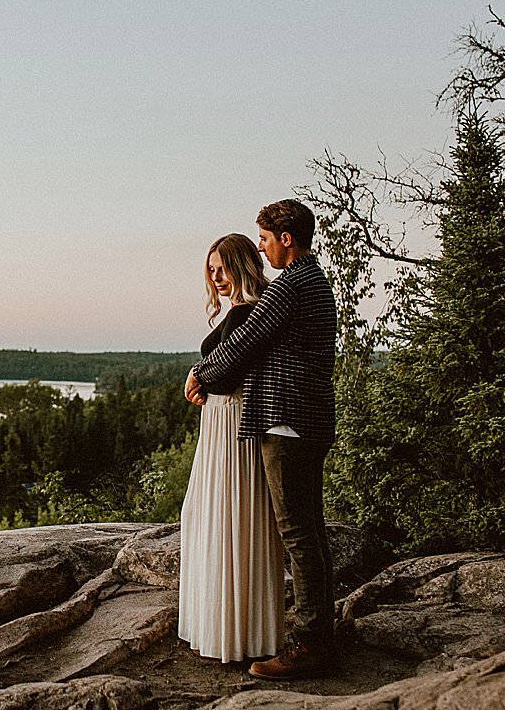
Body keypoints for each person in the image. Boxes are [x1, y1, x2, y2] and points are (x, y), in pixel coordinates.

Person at [184, 199, 338, 680]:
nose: (263, 248)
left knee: (297, 533)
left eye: (266, 239)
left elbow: (240, 351)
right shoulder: (318, 283)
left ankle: (311, 646)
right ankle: (321, 637)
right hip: (310, 420)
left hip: (287, 424)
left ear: (286, 239)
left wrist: (197, 376)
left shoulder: (290, 287)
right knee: (310, 531)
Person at [178, 233, 285, 663]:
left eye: (222, 268)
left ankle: (232, 633)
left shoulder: (248, 312)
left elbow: (225, 373)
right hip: (225, 419)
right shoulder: (254, 311)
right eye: (212, 271)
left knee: (226, 516)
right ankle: (235, 628)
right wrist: (199, 375)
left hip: (232, 421)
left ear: (241, 264)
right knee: (221, 516)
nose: (216, 278)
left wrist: (197, 376)